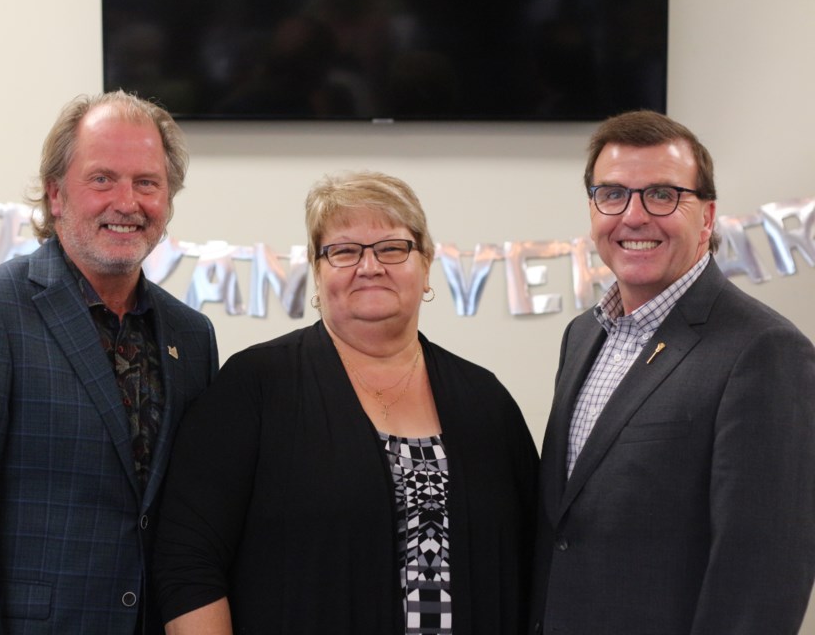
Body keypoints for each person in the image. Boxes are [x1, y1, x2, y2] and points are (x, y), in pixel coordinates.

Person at [153, 170, 539, 634]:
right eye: (344, 250)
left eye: (392, 248)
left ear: (427, 263)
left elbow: (535, 556)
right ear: (317, 270)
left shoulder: (486, 401)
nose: (370, 266)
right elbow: (188, 559)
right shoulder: (255, 386)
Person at [0, 91, 219, 634]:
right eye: (102, 179)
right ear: (55, 195)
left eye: (147, 182)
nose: (128, 201)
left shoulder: (192, 336)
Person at [531, 110, 815, 634]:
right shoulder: (582, 335)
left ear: (706, 218)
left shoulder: (765, 351)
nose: (633, 216)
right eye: (612, 194)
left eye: (662, 195)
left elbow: (764, 575)